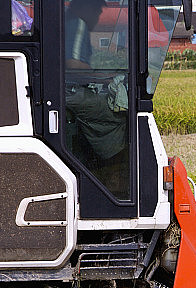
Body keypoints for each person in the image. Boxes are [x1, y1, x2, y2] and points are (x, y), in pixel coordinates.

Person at [64, 0, 129, 198]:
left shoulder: (66, 21)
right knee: (118, 116)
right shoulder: (78, 23)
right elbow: (72, 64)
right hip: (70, 93)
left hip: (66, 92)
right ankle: (108, 172)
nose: (98, 16)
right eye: (98, 10)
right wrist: (101, 75)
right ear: (85, 7)